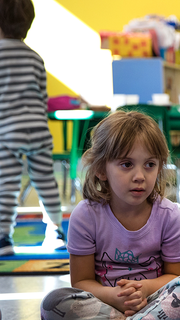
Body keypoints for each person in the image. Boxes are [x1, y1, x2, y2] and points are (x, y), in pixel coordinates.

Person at [40, 111, 180, 320]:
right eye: (126, 164)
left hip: (154, 300)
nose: (140, 176)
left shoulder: (169, 214)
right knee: (54, 303)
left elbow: (176, 276)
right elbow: (81, 282)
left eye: (150, 164)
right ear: (101, 170)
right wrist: (114, 296)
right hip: (105, 304)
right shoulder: (86, 215)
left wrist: (143, 289)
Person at [0, 0, 65, 256]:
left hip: (8, 130)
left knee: (7, 184)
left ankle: (3, 238)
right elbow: (42, 97)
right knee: (46, 182)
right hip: (38, 129)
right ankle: (56, 231)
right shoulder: (35, 57)